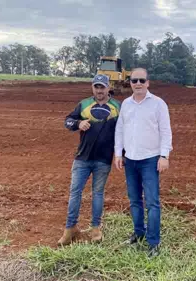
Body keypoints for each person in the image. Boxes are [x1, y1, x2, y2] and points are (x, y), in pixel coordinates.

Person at [114, 68, 172, 257]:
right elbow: (120, 130)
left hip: (150, 159)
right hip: (130, 159)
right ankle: (139, 233)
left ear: (148, 83)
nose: (137, 83)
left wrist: (164, 156)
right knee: (134, 200)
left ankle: (153, 241)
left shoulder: (158, 104)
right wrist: (118, 154)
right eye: (134, 80)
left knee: (152, 202)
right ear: (129, 83)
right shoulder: (126, 104)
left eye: (141, 80)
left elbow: (165, 131)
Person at [57, 74, 121, 246]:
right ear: (93, 88)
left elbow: (124, 131)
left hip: (103, 160)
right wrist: (78, 124)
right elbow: (67, 121)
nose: (99, 90)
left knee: (98, 194)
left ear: (108, 88)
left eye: (102, 87)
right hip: (82, 158)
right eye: (96, 87)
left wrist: (120, 153)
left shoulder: (117, 107)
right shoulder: (84, 104)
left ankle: (95, 228)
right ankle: (70, 229)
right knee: (75, 193)